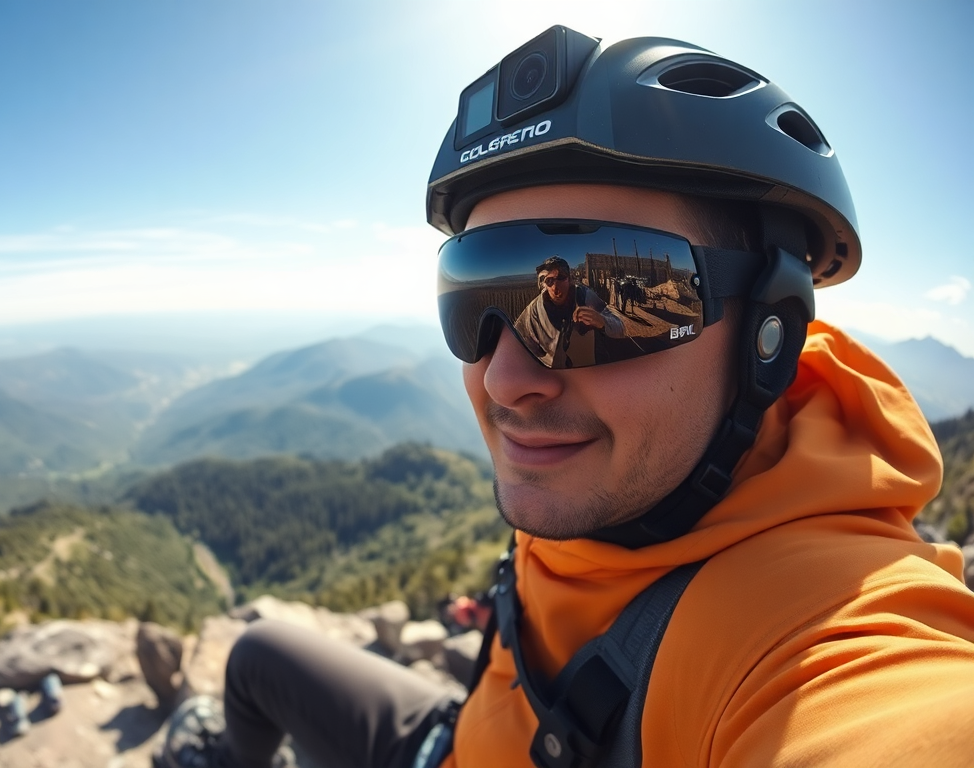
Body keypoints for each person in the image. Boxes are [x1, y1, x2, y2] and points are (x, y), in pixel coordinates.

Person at [161, 25, 974, 768]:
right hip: (460, 742)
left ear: (771, 334)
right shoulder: (631, 464)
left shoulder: (828, 632)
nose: (505, 380)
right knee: (256, 658)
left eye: (603, 296)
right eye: (476, 299)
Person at [515, 255, 625, 369]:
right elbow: (517, 346)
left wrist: (602, 321)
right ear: (544, 284)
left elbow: (620, 327)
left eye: (561, 277)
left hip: (588, 371)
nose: (555, 286)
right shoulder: (534, 310)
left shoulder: (585, 297)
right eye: (549, 280)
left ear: (569, 280)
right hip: (551, 374)